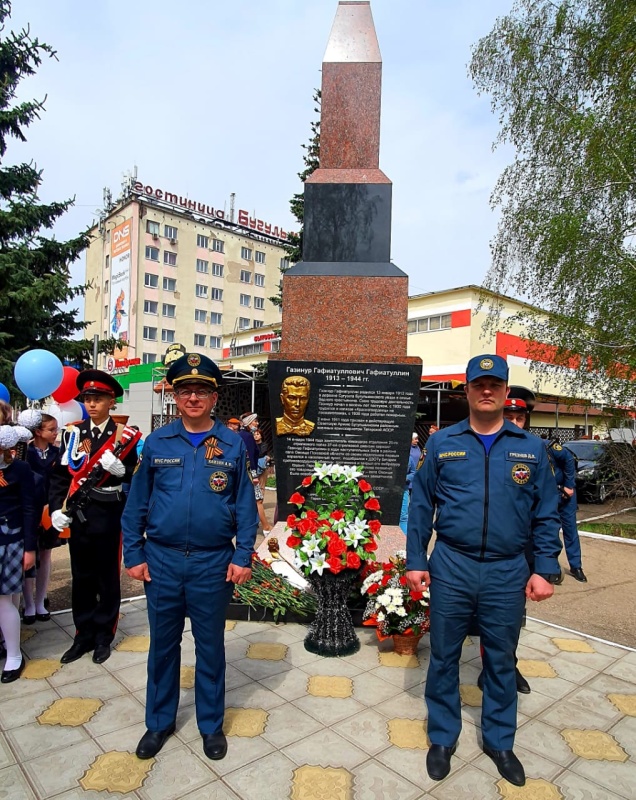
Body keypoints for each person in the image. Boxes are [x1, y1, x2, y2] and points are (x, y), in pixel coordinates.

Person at [406, 355, 561, 787]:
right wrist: (416, 560)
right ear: (468, 391)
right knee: (443, 655)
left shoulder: (529, 448)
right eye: (479, 384)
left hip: (508, 570)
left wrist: (544, 568)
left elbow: (547, 513)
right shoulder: (442, 444)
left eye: (495, 384)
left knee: (500, 659)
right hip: (452, 565)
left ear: (506, 391)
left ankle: (498, 739)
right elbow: (420, 506)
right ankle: (442, 736)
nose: (487, 391)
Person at [122, 353, 258, 762]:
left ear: (215, 396)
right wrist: (133, 551)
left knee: (210, 647)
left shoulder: (233, 444)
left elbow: (246, 506)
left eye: (201, 390)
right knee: (162, 647)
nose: (193, 396)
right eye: (185, 389)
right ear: (174, 394)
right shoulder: (158, 442)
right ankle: (159, 722)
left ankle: (210, 725)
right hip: (161, 561)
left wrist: (244, 555)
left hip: (211, 563)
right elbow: (136, 505)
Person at [49, 370, 139, 665]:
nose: (91, 404)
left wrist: (122, 471)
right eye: (87, 398)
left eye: (98, 398)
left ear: (111, 401)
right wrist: (55, 509)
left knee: (107, 578)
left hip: (108, 514)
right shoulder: (73, 433)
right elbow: (61, 477)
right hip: (78, 514)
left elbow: (135, 474)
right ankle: (83, 634)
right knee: (82, 577)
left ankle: (103, 635)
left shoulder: (122, 436)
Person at [0, 424, 37, 682]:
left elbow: (28, 509)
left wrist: (30, 548)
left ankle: (14, 655)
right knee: (6, 599)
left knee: (4, 599)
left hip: (10, 539)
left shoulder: (19, 470)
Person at [22, 413, 60, 623]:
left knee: (45, 555)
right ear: (38, 432)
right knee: (29, 557)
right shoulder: (25, 453)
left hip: (50, 510)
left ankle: (40, 601)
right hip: (30, 510)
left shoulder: (58, 452)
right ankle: (28, 605)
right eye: (51, 430)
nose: (55, 433)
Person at [543, 436, 587, 582]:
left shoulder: (547, 445)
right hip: (548, 495)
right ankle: (552, 567)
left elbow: (568, 459)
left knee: (570, 530)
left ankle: (576, 566)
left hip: (565, 493)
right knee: (549, 531)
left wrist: (569, 485)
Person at [239, 412, 272, 533]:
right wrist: (253, 474)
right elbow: (250, 457)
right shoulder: (247, 436)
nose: (257, 423)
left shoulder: (244, 435)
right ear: (248, 422)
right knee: (258, 500)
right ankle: (266, 527)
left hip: (245, 472)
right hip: (249, 472)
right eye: (255, 421)